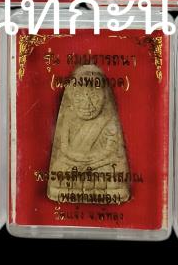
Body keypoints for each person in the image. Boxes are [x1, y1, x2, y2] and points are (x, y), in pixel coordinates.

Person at [47, 65, 130, 204]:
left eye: (94, 96)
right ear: (71, 97)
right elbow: (64, 149)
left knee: (115, 175)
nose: (87, 104)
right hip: (72, 162)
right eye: (79, 97)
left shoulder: (108, 118)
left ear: (105, 97)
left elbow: (111, 151)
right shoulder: (68, 116)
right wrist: (81, 160)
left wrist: (91, 162)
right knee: (58, 170)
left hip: (101, 163)